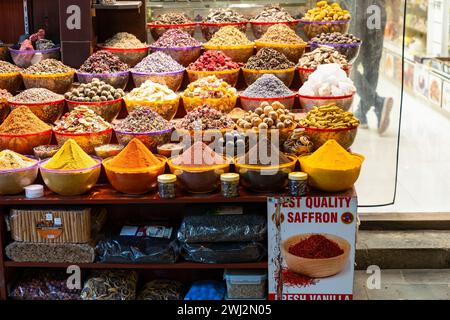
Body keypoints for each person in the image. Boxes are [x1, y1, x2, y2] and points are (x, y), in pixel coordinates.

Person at [339, 0, 398, 135]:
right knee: (370, 66)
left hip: (355, 9)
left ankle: (372, 105)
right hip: (375, 11)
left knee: (348, 64)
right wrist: (395, 17)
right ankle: (369, 107)